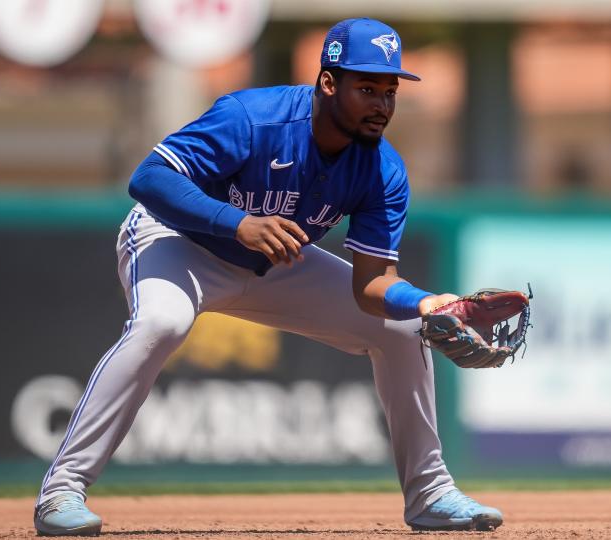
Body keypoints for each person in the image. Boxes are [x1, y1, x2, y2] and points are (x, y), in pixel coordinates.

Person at [34, 18, 503, 536]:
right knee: (160, 324)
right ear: (328, 82)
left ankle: (431, 494)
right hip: (178, 241)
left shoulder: (382, 169)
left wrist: (429, 304)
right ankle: (62, 490)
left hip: (276, 262)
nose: (382, 104)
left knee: (400, 329)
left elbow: (372, 284)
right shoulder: (253, 118)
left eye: (390, 90)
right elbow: (148, 177)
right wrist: (235, 223)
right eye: (367, 88)